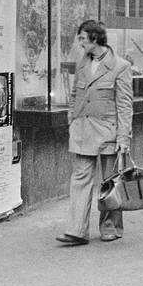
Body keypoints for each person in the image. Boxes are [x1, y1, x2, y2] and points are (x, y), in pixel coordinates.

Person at [56, 20, 133, 246]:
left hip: (108, 131)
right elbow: (74, 95)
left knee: (109, 181)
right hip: (82, 131)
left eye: (82, 38)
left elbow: (125, 105)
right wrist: (72, 119)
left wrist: (124, 137)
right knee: (80, 179)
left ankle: (110, 226)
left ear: (95, 39)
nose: (79, 43)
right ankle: (77, 230)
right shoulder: (82, 63)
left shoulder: (120, 66)